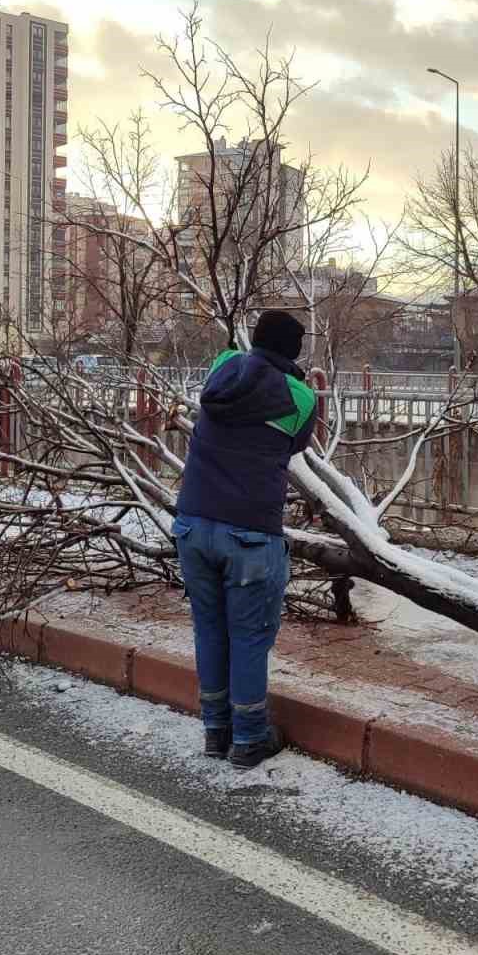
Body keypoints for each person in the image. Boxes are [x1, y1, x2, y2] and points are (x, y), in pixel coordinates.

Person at [172, 310, 317, 769]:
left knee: (209, 628)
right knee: (250, 636)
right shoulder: (301, 399)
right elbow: (294, 447)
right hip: (251, 534)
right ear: (295, 351)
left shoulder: (221, 368)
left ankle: (217, 732)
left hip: (193, 524)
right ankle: (251, 737)